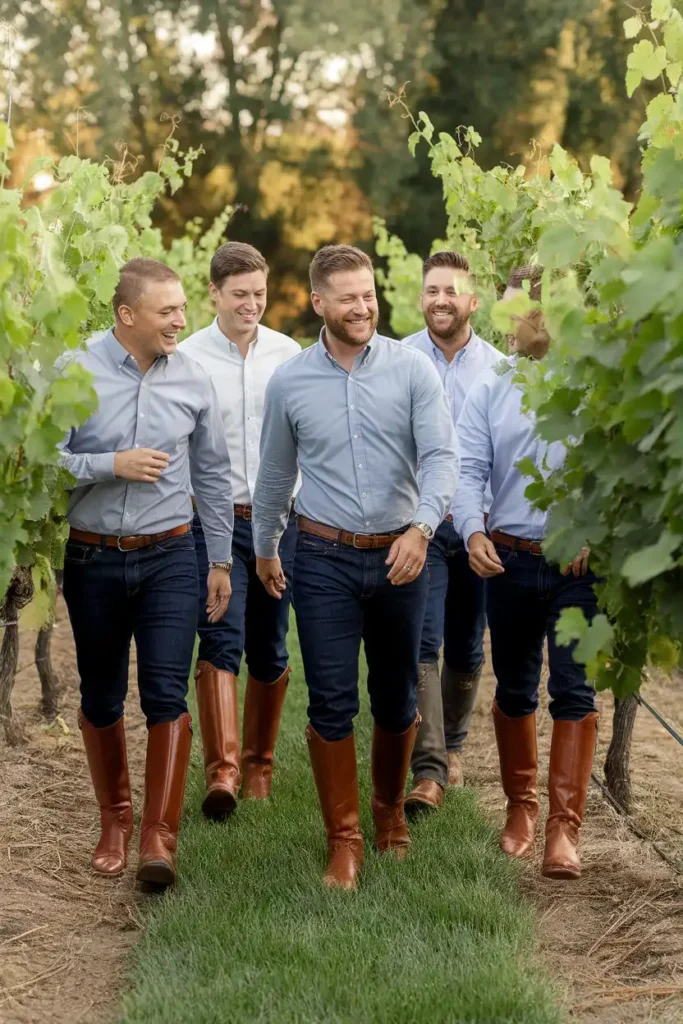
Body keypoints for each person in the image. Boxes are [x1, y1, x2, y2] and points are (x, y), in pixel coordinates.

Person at [252, 244, 458, 891]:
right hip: (321, 558)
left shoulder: (410, 371)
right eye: (348, 298)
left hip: (402, 557)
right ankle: (343, 841)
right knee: (331, 701)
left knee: (396, 700)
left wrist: (421, 530)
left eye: (367, 295)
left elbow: (442, 458)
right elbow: (275, 474)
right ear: (319, 303)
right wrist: (263, 547)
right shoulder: (289, 382)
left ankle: (389, 816)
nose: (363, 306)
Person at [59, 258, 234, 889]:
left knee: (166, 692)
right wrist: (112, 463)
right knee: (101, 695)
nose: (182, 320)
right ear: (127, 315)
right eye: (168, 311)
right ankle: (115, 818)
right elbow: (45, 461)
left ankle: (159, 836)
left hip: (170, 556)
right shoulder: (74, 371)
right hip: (92, 558)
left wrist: (218, 559)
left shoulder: (192, 378)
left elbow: (212, 476)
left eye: (183, 308)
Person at [452, 264, 599, 880]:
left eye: (513, 309)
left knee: (573, 689)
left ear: (547, 314)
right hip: (507, 559)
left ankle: (564, 830)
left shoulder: (595, 385)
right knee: (514, 688)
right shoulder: (493, 385)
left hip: (577, 568)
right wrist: (472, 529)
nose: (502, 322)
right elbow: (466, 469)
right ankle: (522, 809)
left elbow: (615, 470)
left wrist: (592, 525)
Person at [179, 242, 300, 817]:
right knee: (221, 637)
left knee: (271, 645)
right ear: (214, 294)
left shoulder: (288, 354)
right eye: (239, 295)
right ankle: (222, 773)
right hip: (215, 522)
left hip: (280, 523)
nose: (251, 304)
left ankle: (258, 766)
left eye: (258, 294)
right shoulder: (187, 357)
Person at [402, 251, 502, 814]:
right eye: (432, 289)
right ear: (422, 296)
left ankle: (455, 744)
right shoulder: (397, 359)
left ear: (473, 301)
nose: (441, 299)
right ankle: (430, 770)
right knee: (424, 638)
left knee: (466, 641)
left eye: (452, 291)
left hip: (479, 528)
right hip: (421, 523)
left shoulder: (497, 368)